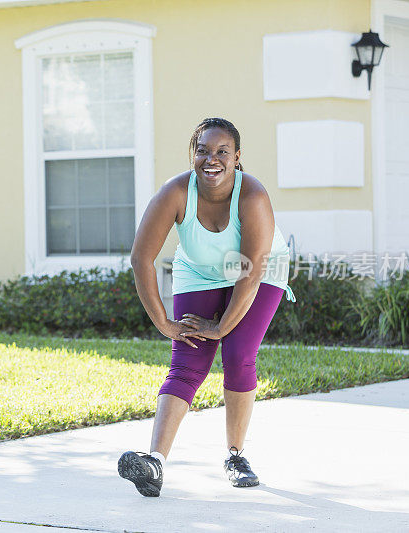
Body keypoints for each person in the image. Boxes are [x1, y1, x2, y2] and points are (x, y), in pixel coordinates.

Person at [117, 118, 296, 497]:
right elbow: (140, 259)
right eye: (202, 150)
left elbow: (248, 275)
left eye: (221, 152)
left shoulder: (253, 197)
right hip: (198, 270)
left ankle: (236, 456)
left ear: (237, 158)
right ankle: (155, 464)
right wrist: (164, 323)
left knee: (238, 353)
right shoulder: (176, 193)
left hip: (257, 270)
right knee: (186, 360)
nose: (210, 159)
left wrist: (220, 327)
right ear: (192, 154)